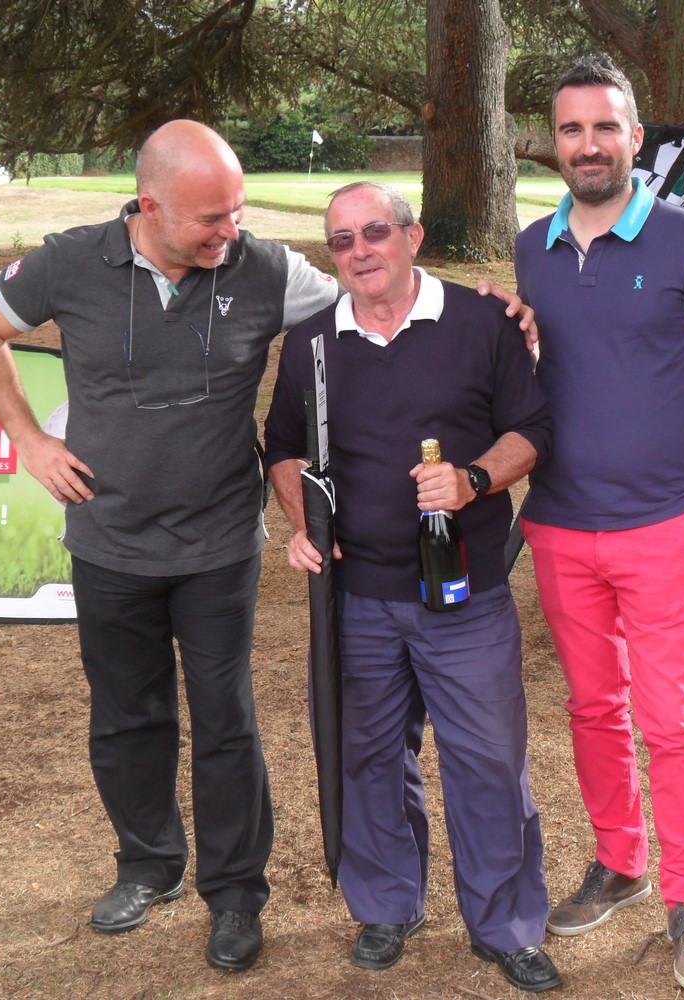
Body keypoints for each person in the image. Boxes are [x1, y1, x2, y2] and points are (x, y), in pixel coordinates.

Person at [0, 119, 341, 972]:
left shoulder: (265, 268)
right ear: (149, 205)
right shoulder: (70, 262)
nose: (229, 230)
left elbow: (372, 306)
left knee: (226, 719)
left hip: (218, 545)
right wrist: (28, 439)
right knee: (128, 715)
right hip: (109, 541)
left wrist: (486, 310)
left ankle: (234, 894)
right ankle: (148, 865)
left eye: (237, 210)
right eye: (210, 218)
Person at [265, 181, 561, 993]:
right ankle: (388, 905)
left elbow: (531, 430)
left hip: (463, 594)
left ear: (412, 235)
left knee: (488, 762)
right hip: (355, 597)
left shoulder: (480, 323)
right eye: (341, 241)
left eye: (374, 233)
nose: (359, 252)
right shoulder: (311, 343)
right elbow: (282, 447)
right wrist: (304, 523)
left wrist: (472, 480)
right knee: (365, 756)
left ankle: (505, 926)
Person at [513, 54, 684, 996]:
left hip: (662, 525)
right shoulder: (531, 248)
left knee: (671, 721)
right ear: (554, 144)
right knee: (591, 709)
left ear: (635, 138)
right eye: (571, 129)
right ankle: (619, 861)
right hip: (560, 525)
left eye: (604, 127)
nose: (588, 145)